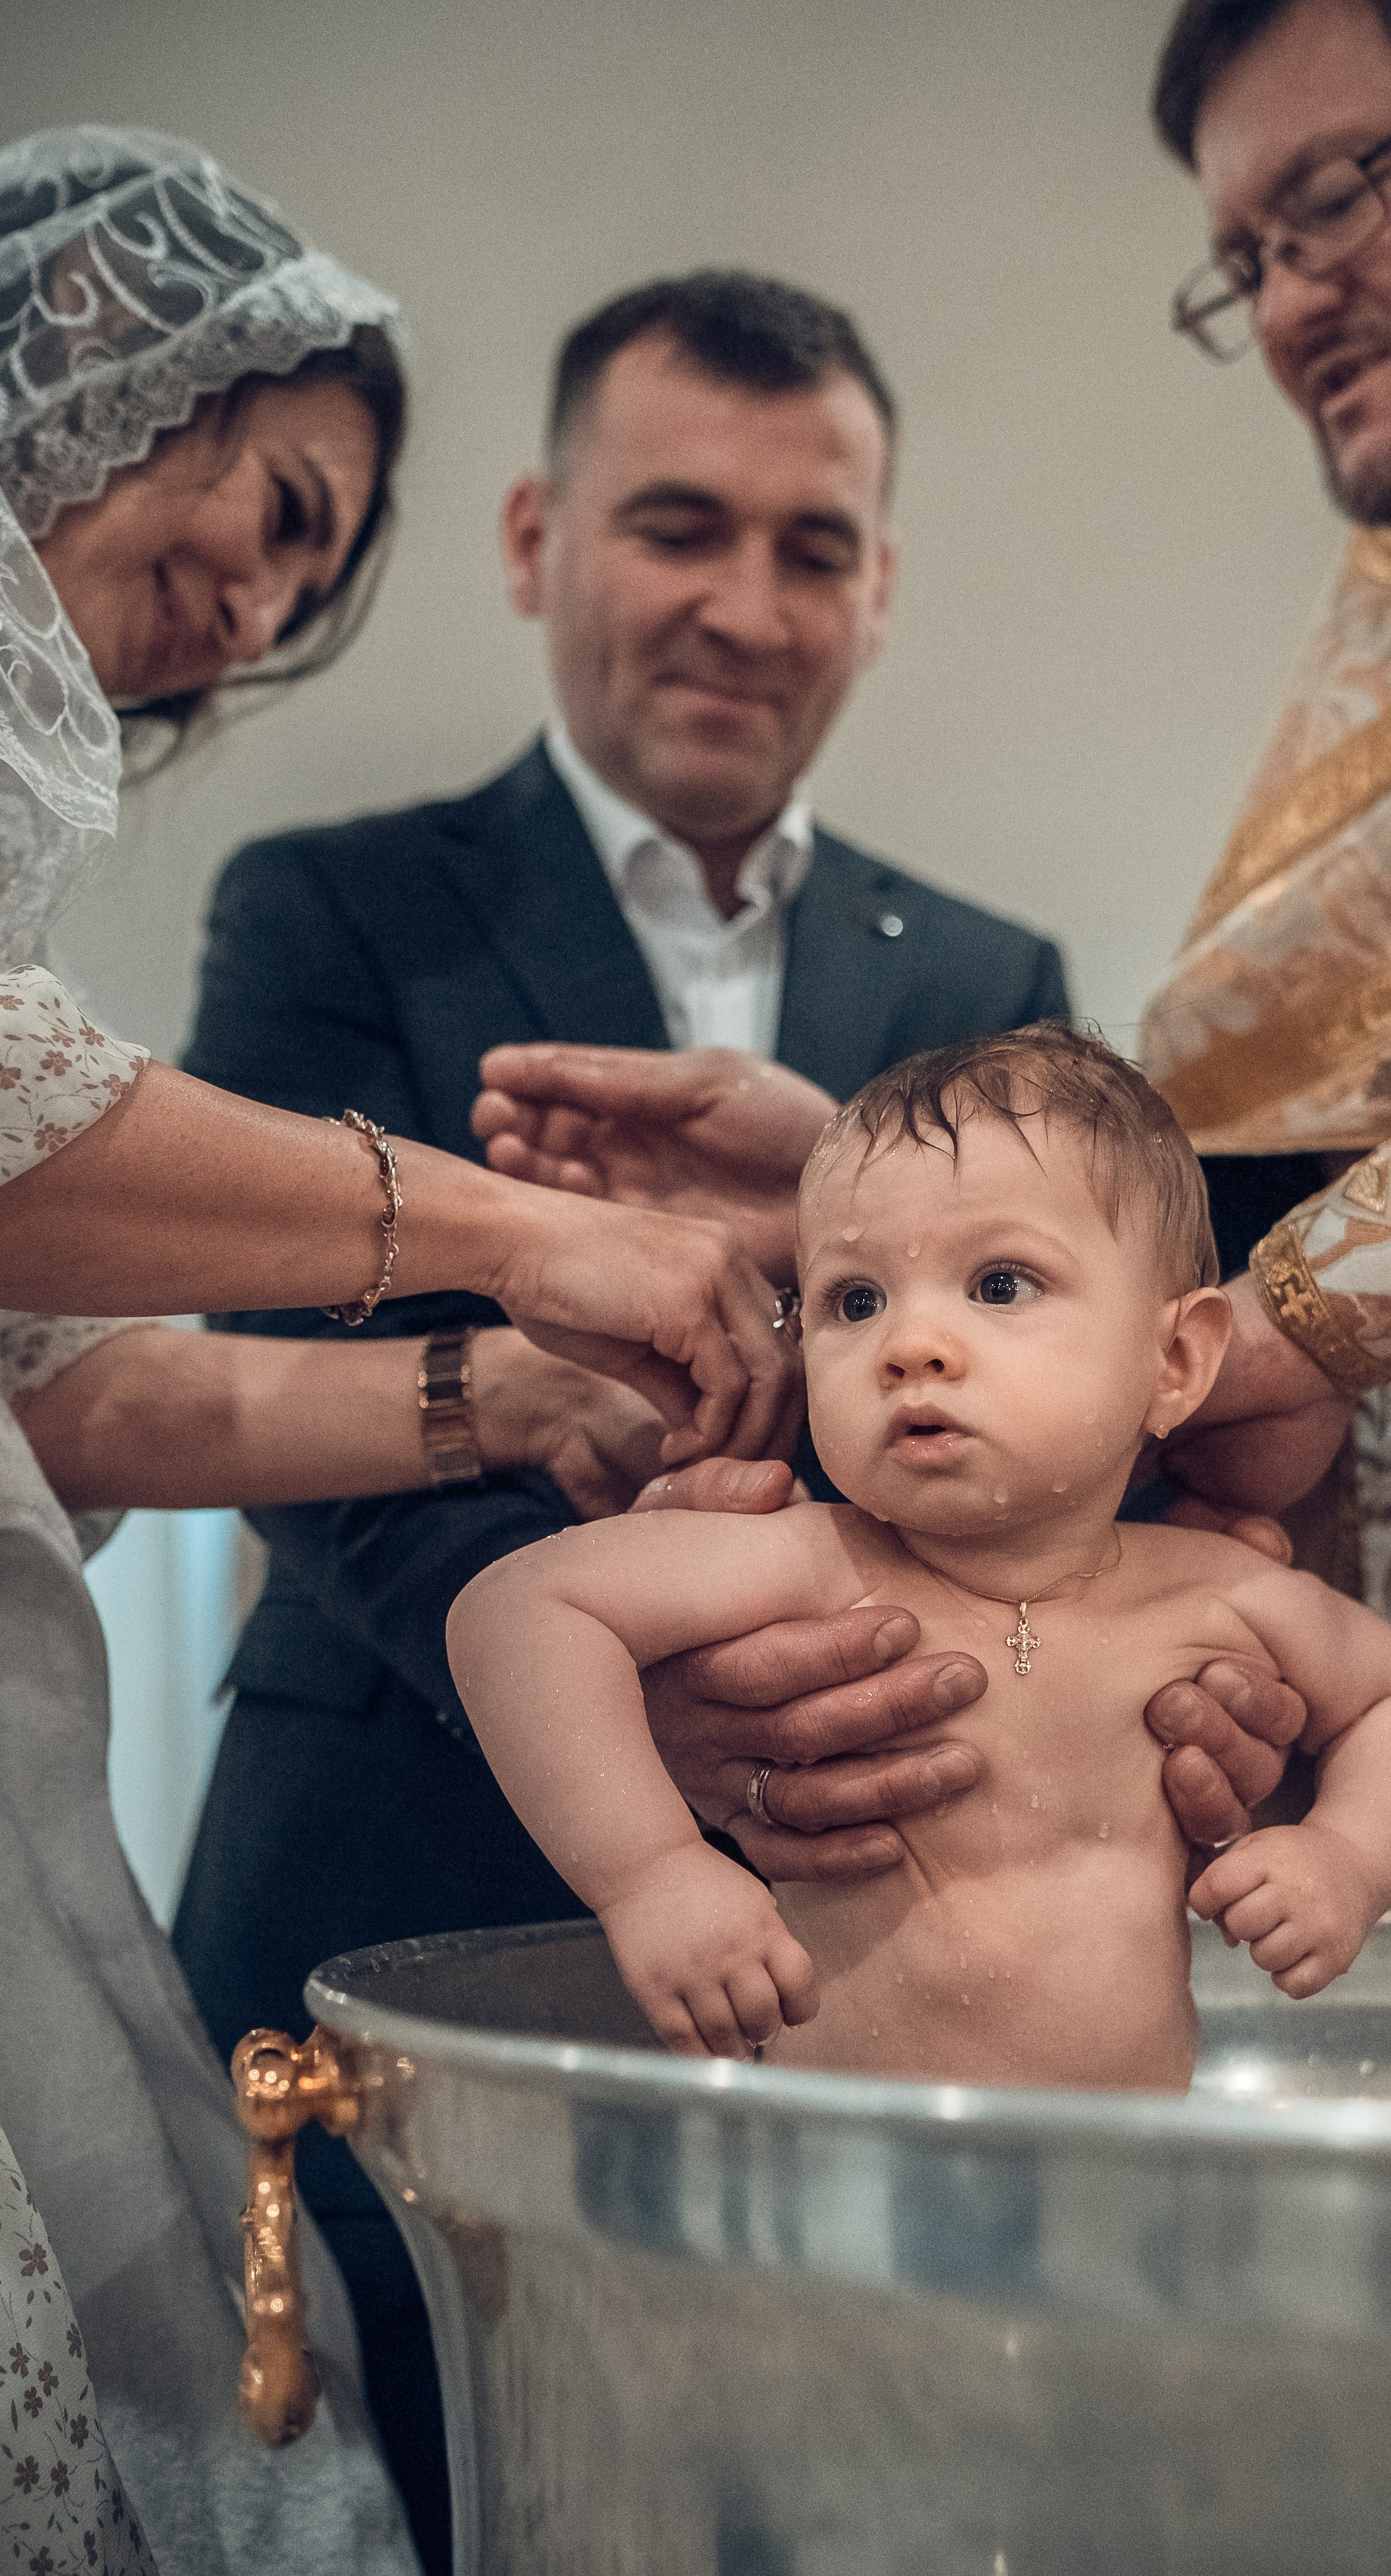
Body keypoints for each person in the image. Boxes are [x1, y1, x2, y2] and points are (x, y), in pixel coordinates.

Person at [483, 0, 1391, 1916]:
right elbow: (1331, 1135)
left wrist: (1262, 1331)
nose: (1284, 306)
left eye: (1337, 199)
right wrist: (901, 1192)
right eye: (1244, 258)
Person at [170, 266, 1067, 2550]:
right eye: (678, 526)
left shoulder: (987, 983)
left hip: (854, 1926)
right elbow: (306, 1392)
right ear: (532, 539)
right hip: (385, 1876)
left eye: (815, 546)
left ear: (881, 592)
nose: (744, 606)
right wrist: (624, 1714)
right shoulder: (333, 908)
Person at [0, 128, 791, 2576]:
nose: (248, 604)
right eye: (271, 499)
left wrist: (510, 1397)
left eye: (314, 570)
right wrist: (534, 1247)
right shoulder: (341, 902)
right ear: (104, 364)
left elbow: (72, 1392)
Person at [449, 1028, 1391, 2084]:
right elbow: (518, 1613)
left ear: (1176, 1360)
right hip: (847, 2187)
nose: (909, 1343)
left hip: (1116, 2192)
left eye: (1001, 1285)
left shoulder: (1218, 1592)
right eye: (854, 1299)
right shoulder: (812, 1565)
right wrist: (651, 1874)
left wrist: (1346, 1857)